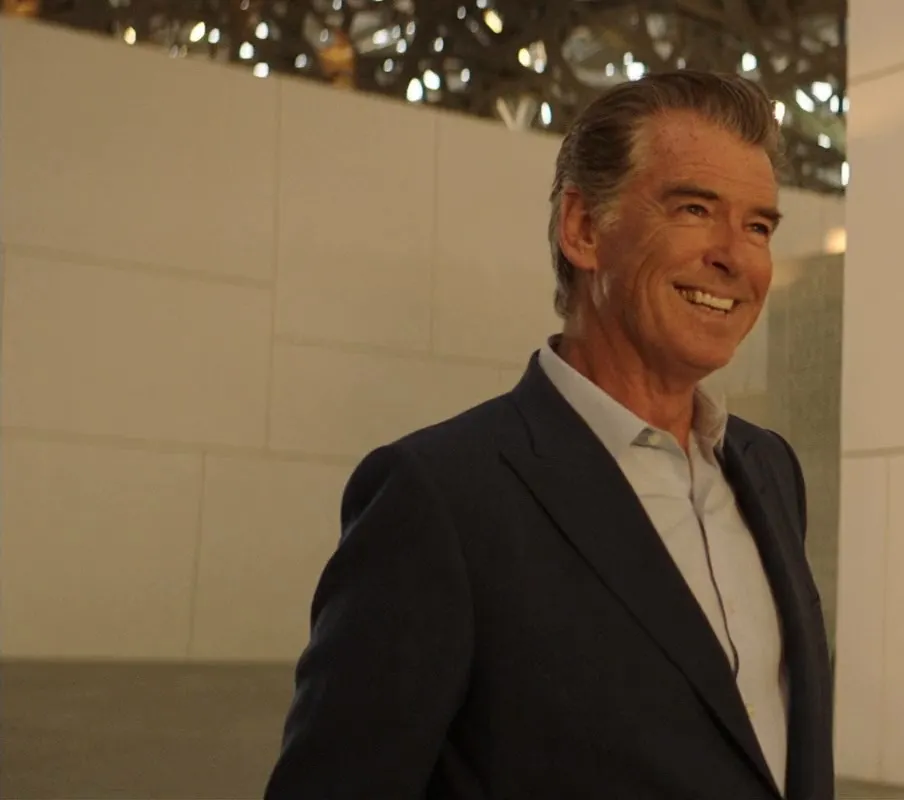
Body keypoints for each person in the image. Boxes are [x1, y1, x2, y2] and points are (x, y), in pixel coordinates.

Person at [264, 71, 833, 800]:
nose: (735, 255)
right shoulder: (441, 499)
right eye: (694, 209)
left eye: (758, 227)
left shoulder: (769, 468)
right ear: (583, 229)